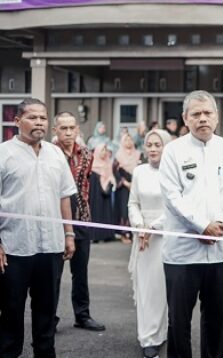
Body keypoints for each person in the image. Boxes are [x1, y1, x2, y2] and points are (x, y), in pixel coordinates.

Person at [159, 90, 223, 358]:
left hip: (221, 250)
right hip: (182, 252)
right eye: (196, 114)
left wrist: (220, 223)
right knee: (179, 322)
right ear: (185, 119)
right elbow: (172, 196)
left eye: (208, 113)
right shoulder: (173, 151)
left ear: (217, 117)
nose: (202, 118)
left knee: (215, 320)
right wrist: (201, 225)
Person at [0, 98, 77, 357]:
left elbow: (64, 196)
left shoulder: (55, 154)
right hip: (14, 248)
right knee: (11, 316)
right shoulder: (4, 154)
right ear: (17, 120)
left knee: (46, 316)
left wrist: (68, 234)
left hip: (51, 247)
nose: (39, 122)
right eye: (32, 117)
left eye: (43, 118)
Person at [52, 111, 106, 332]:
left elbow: (84, 185)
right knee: (53, 273)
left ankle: (82, 315)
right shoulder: (48, 153)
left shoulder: (86, 153)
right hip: (54, 219)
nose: (67, 132)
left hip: (82, 218)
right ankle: (49, 318)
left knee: (80, 271)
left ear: (77, 129)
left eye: (71, 128)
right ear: (55, 130)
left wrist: (84, 215)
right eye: (63, 128)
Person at [128, 129, 172, 358]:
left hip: (164, 236)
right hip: (142, 238)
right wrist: (139, 225)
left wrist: (153, 228)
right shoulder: (139, 171)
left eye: (158, 144)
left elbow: (175, 208)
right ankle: (148, 338)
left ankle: (160, 332)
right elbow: (132, 203)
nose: (153, 149)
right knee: (146, 289)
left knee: (161, 288)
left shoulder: (173, 173)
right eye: (149, 144)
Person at [114, 132, 141, 243]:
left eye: (130, 140)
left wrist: (134, 184)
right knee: (124, 209)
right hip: (123, 187)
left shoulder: (138, 154)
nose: (129, 142)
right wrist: (125, 183)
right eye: (126, 140)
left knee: (136, 207)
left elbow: (141, 169)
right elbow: (115, 171)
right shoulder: (118, 155)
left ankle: (134, 232)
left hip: (135, 185)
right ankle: (124, 234)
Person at [89, 143, 117, 242]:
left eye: (105, 150)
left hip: (106, 192)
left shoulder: (108, 163)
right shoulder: (92, 165)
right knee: (96, 211)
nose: (104, 152)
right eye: (102, 150)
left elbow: (111, 176)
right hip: (95, 192)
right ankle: (95, 235)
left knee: (106, 211)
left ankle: (106, 234)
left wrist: (109, 182)